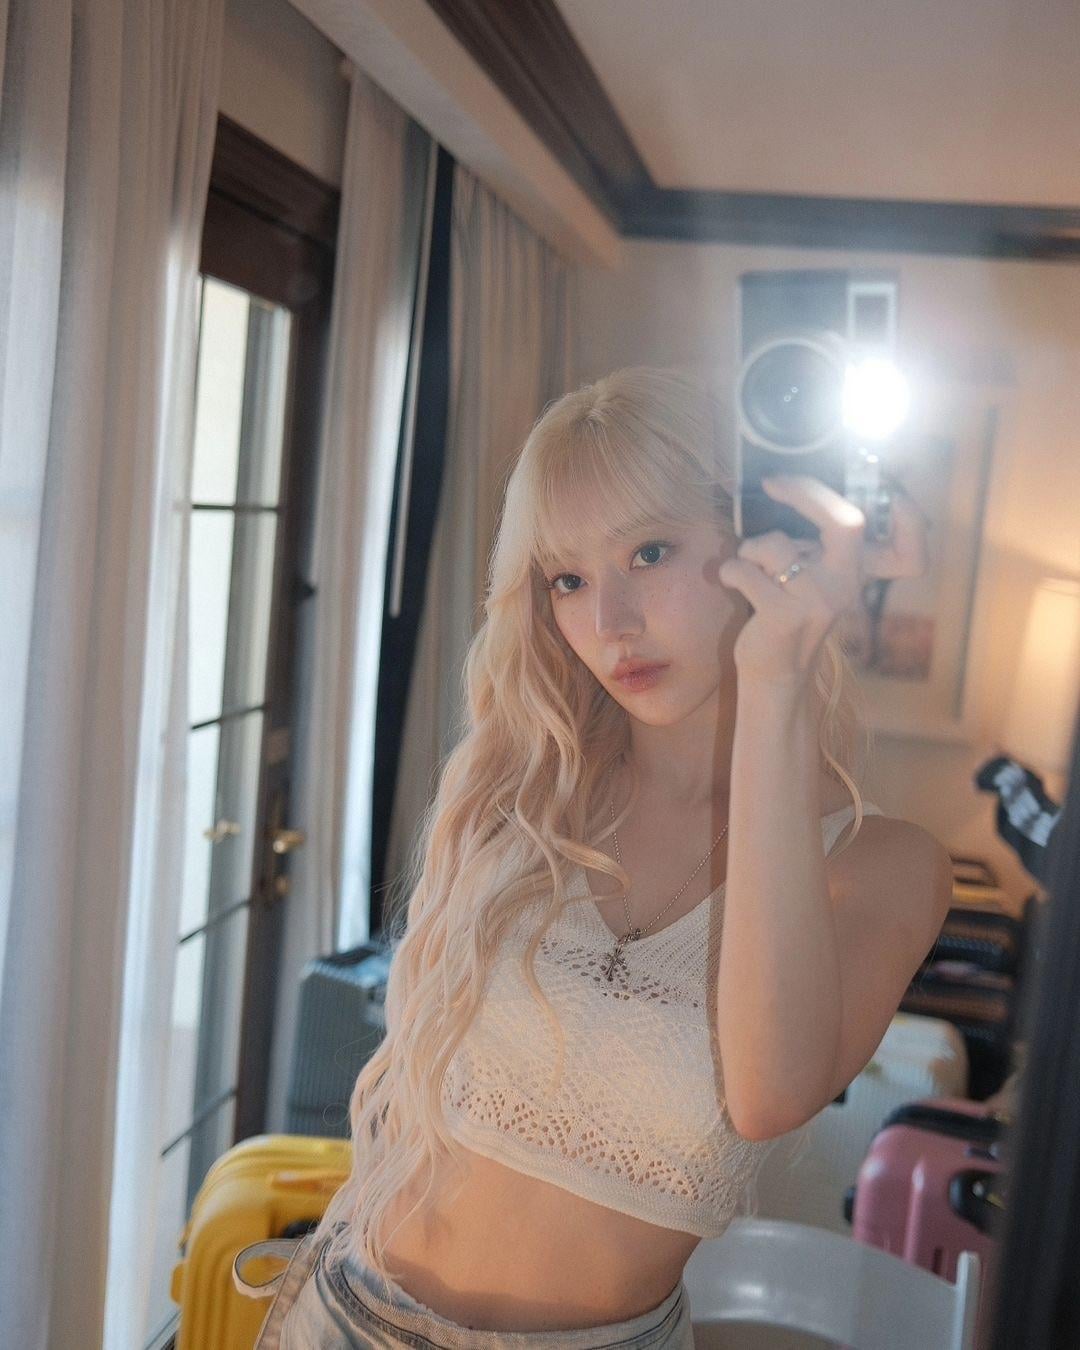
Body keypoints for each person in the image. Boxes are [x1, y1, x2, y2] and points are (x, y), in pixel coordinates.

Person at [234, 365, 952, 1347]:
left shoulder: (887, 865)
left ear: (765, 539)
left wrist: (775, 685)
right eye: (567, 579)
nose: (608, 623)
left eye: (649, 552)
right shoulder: (528, 790)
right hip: (347, 1316)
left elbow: (769, 1095)